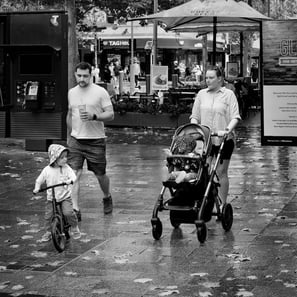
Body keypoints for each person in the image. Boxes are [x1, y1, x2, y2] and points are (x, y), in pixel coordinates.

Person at [66, 62, 114, 220]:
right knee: (74, 175)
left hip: (96, 140)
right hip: (76, 140)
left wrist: (95, 116)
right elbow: (70, 113)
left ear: (91, 75)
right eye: (79, 75)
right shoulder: (72, 92)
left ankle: (107, 196)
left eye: (85, 76)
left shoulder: (100, 92)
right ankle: (75, 209)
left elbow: (111, 114)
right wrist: (71, 132)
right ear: (75, 75)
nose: (82, 79)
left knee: (100, 175)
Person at [190, 66, 241, 206]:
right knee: (204, 170)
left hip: (224, 139)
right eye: (206, 77)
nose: (208, 80)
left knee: (220, 171)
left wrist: (227, 130)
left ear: (220, 79)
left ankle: (222, 204)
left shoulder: (228, 94)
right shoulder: (201, 94)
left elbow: (235, 117)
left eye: (211, 77)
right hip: (206, 140)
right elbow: (195, 116)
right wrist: (195, 128)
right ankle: (205, 200)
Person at [33, 144, 81, 242]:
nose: (65, 159)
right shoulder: (47, 170)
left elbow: (73, 177)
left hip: (64, 197)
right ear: (54, 158)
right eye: (62, 157)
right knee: (48, 216)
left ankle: (74, 227)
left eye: (66, 157)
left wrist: (70, 180)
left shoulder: (66, 168)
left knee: (68, 212)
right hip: (52, 197)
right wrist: (37, 188)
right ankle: (48, 232)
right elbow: (39, 180)